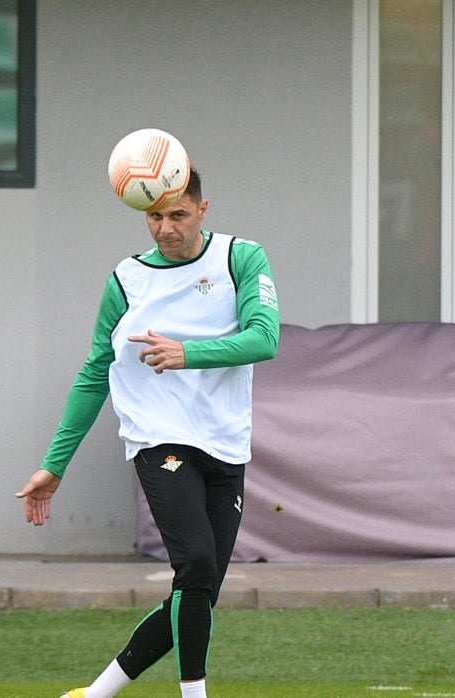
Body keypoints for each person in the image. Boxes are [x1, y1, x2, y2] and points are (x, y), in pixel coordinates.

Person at [15, 168, 280, 698]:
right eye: (154, 216)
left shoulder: (241, 258)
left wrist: (188, 353)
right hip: (158, 438)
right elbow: (95, 371)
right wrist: (55, 463)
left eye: (178, 215)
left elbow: (264, 338)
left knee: (199, 590)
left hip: (225, 443)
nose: (165, 228)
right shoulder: (127, 280)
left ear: (203, 211)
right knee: (197, 564)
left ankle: (94, 694)